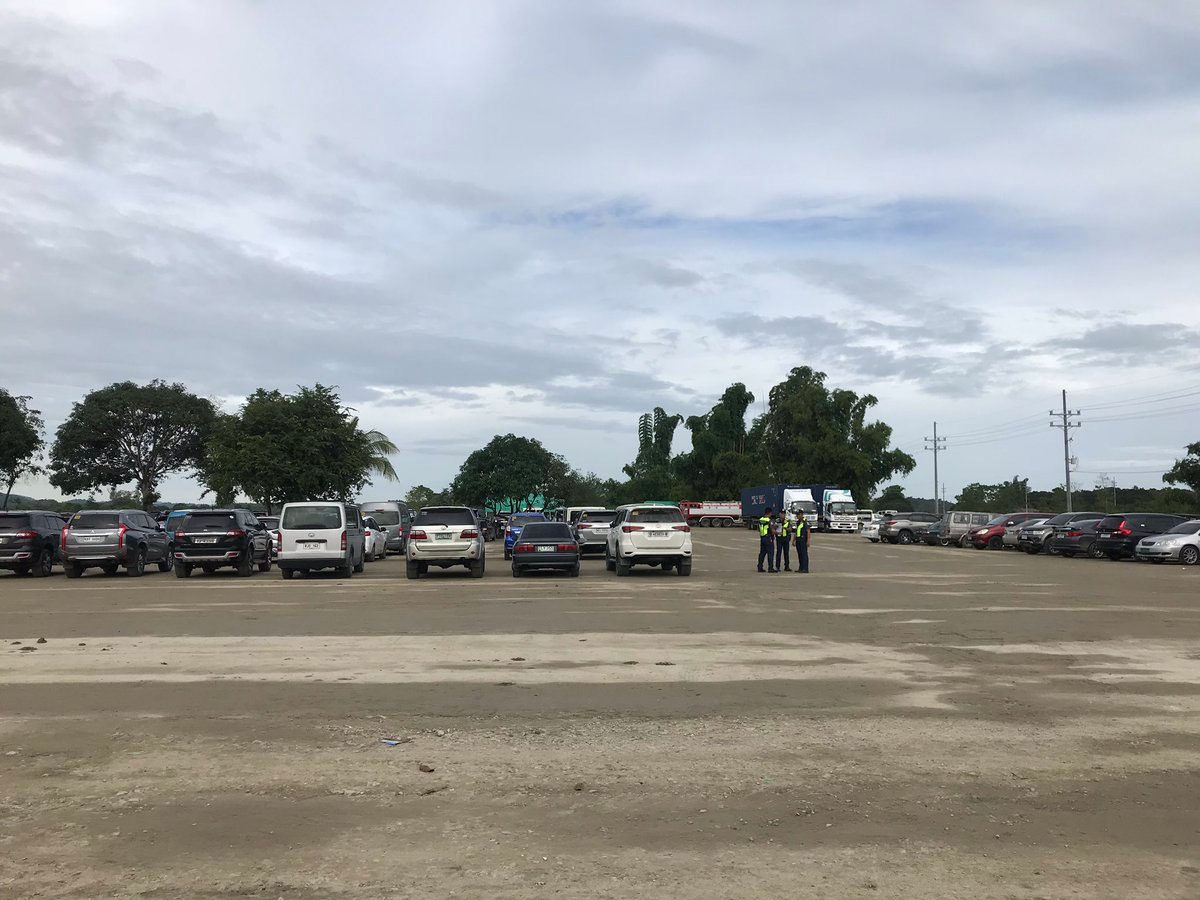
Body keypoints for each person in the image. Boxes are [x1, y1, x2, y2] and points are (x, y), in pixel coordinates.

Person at [757, 507, 776, 573]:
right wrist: (777, 532)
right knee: (770, 553)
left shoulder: (760, 519)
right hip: (768, 538)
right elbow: (772, 530)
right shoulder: (769, 520)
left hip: (762, 538)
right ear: (770, 513)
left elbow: (759, 529)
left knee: (762, 553)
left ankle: (760, 567)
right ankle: (770, 568)